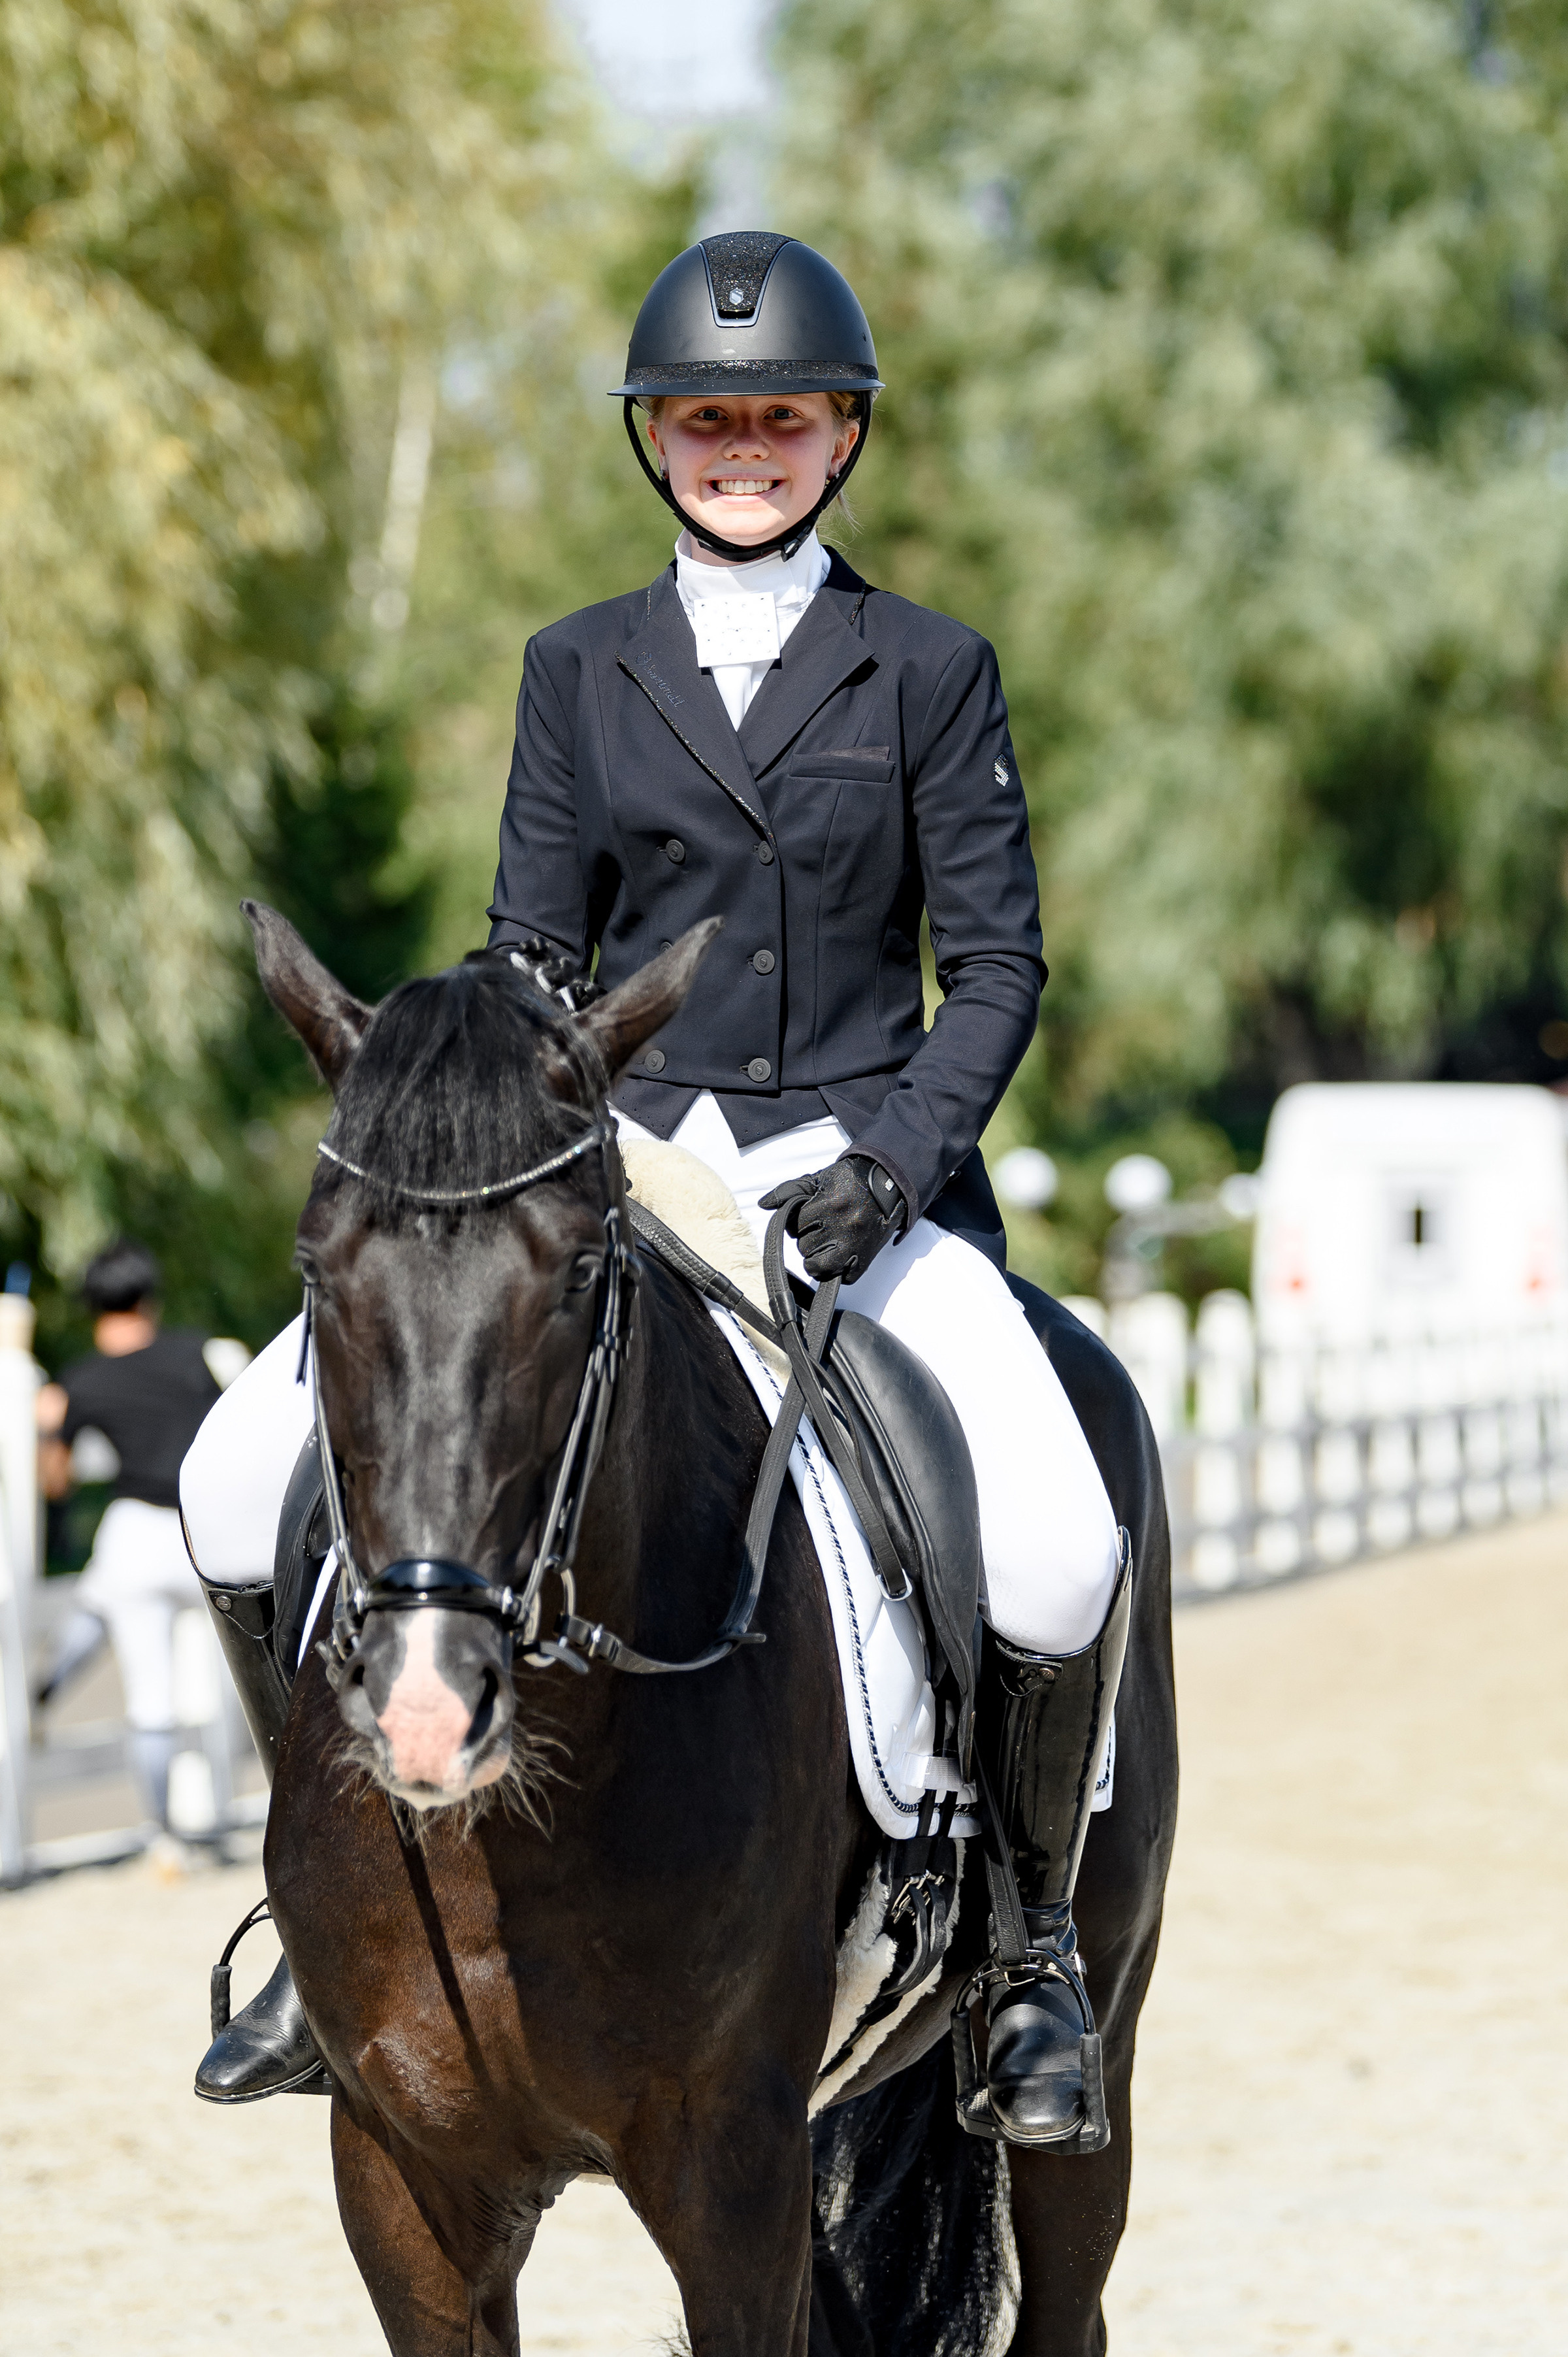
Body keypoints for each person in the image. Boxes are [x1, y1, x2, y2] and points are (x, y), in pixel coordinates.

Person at [183, 234, 1128, 2146]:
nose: (742, 449)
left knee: (1053, 1536)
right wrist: (512, 1124)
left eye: (779, 417)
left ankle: (1024, 1947)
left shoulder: (927, 669)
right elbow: (532, 948)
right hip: (622, 1163)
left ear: (841, 434)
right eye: (706, 419)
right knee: (228, 1470)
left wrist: (890, 1166)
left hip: (857, 1178)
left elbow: (994, 967)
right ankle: (319, 1899)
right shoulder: (578, 666)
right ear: (654, 438)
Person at [36, 1238, 225, 1836]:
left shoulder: (82, 1381)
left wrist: (47, 1430)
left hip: (137, 1536)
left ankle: (163, 1837)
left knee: (148, 1692)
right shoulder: (193, 1354)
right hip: (199, 1538)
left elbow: (54, 1479)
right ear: (148, 1299)